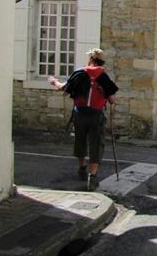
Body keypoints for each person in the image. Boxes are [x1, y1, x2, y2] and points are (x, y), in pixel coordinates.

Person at [48, 48, 119, 191]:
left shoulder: (80, 73)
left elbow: (65, 87)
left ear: (90, 59)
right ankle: (92, 177)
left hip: (80, 114)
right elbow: (112, 99)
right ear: (100, 61)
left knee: (80, 141)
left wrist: (54, 82)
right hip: (96, 115)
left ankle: (82, 168)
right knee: (97, 144)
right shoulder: (103, 77)